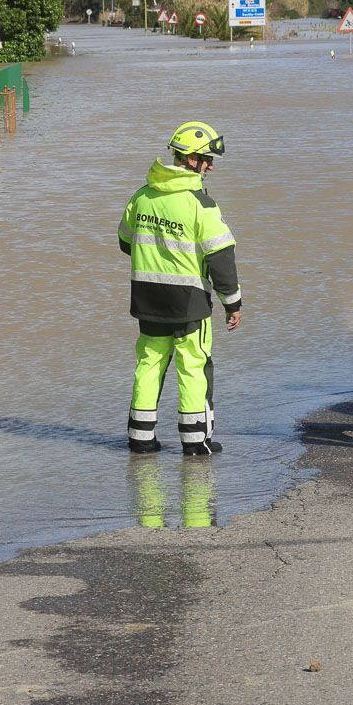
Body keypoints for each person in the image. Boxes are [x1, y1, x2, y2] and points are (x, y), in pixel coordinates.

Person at [118, 121, 243, 455]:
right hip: (189, 302)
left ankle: (140, 440)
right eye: (207, 159)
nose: (211, 166)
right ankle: (195, 442)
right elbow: (221, 259)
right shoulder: (201, 204)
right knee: (194, 366)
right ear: (190, 159)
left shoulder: (141, 195)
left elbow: (125, 242)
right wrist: (233, 303)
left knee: (149, 363)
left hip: (146, 296)